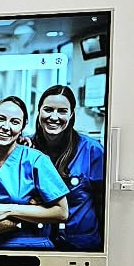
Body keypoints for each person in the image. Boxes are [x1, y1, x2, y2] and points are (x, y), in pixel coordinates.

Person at [0, 95, 70, 249]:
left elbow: (62, 212)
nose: (6, 127)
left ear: (23, 127)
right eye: (0, 119)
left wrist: (7, 209)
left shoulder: (36, 160)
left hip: (29, 248)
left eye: (15, 122)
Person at [33, 83, 107, 251]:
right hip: (36, 244)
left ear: (72, 114)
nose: (54, 116)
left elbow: (103, 205)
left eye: (62, 111)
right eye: (48, 109)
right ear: (39, 112)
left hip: (80, 244)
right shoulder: (27, 149)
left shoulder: (91, 150)